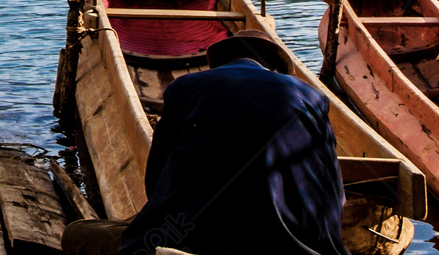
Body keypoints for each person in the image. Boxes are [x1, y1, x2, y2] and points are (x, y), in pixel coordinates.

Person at [62, 29, 351, 255]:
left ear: (223, 62)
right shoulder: (312, 97)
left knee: (78, 235)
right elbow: (334, 193)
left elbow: (156, 180)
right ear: (274, 68)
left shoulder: (186, 87)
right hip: (300, 244)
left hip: (196, 239)